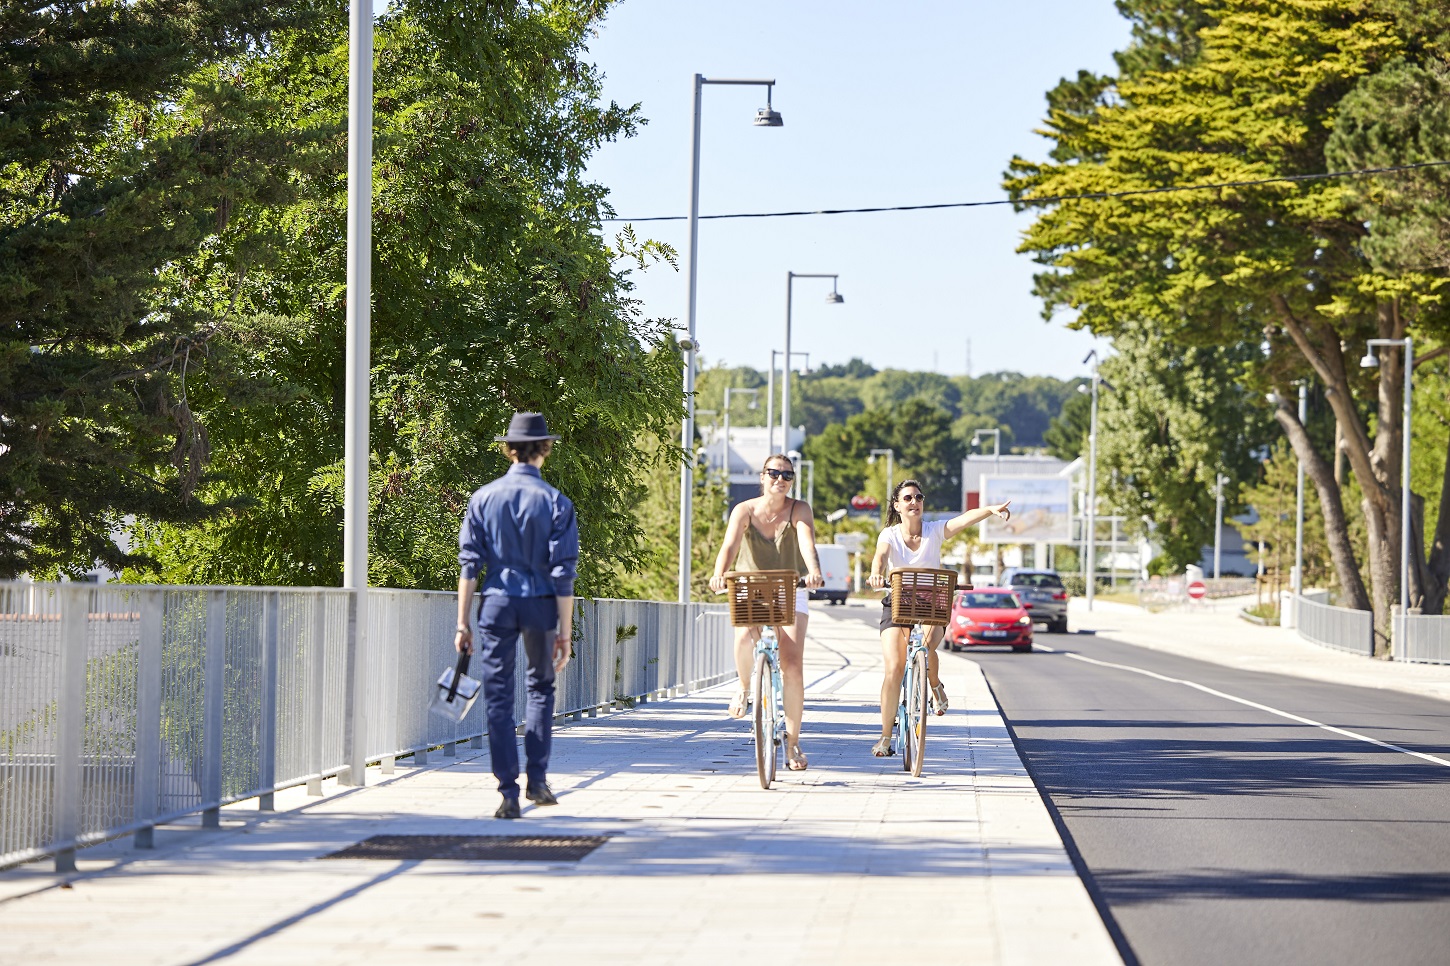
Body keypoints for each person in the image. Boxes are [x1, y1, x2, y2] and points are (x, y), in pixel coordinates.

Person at [455, 412, 578, 820]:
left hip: (496, 603)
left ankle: (507, 791)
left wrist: (463, 621)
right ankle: (537, 780)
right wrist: (565, 630)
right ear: (544, 450)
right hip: (541, 602)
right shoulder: (557, 502)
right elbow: (564, 571)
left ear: (509, 450)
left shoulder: (482, 499)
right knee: (541, 687)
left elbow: (469, 564)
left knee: (499, 696)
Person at [867, 479, 1010, 757]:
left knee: (927, 647)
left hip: (932, 601)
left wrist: (990, 509)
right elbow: (880, 557)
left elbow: (964, 519)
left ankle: (933, 683)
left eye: (918, 497)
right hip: (898, 600)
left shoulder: (934, 531)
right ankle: (885, 737)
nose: (914, 502)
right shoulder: (889, 534)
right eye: (907, 498)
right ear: (897, 505)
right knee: (894, 667)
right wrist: (876, 573)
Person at [708, 454, 824, 771]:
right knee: (745, 634)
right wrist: (720, 573)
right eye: (774, 473)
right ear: (762, 477)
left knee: (792, 664)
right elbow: (729, 546)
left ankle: (793, 741)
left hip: (791, 586)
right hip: (752, 586)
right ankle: (745, 687)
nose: (780, 479)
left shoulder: (799, 509)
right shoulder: (744, 510)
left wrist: (813, 570)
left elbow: (806, 542)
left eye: (787, 475)